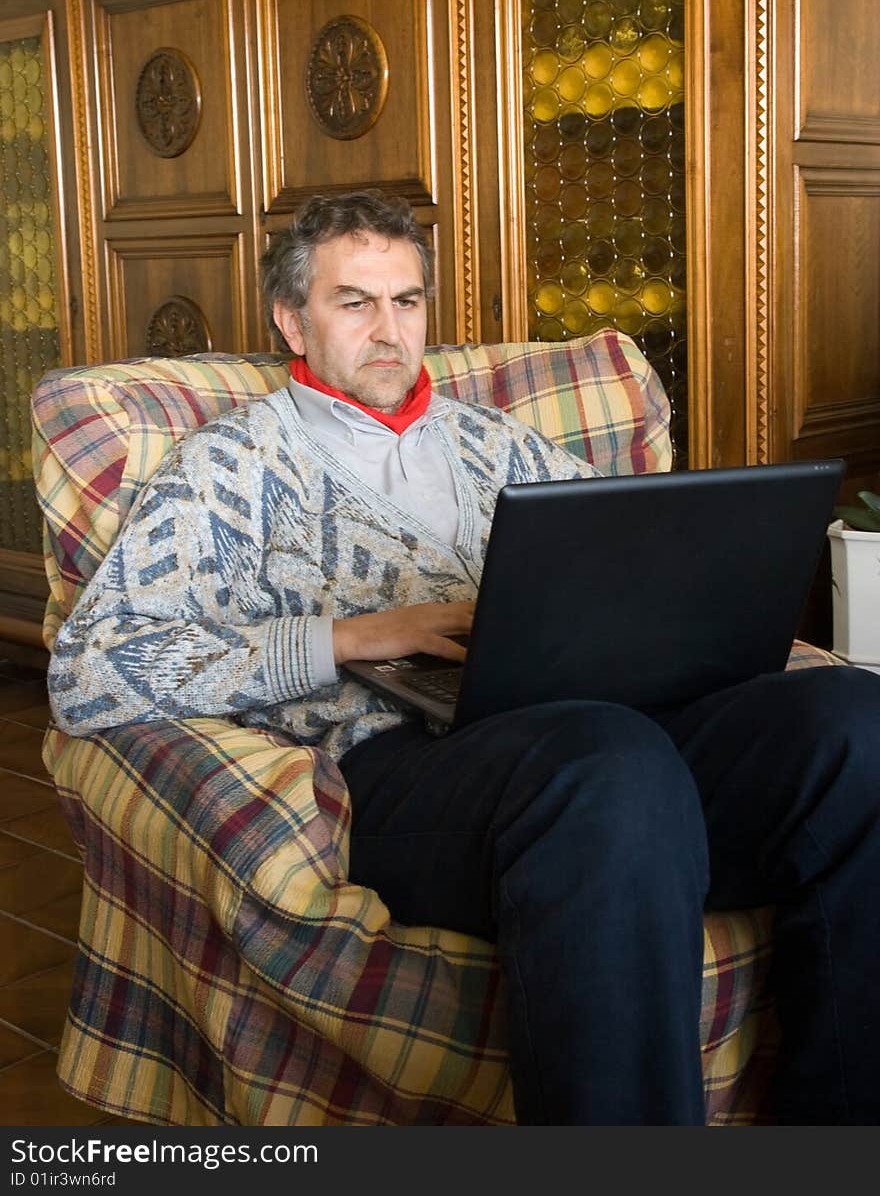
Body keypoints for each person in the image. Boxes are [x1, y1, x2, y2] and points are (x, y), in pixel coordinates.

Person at [47, 189, 880, 1126]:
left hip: (601, 730)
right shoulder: (226, 467)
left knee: (855, 722)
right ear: (292, 318)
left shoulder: (503, 447)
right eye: (353, 301)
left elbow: (634, 564)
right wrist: (351, 637)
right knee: (608, 763)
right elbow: (90, 671)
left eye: (406, 302)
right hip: (410, 770)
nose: (388, 329)